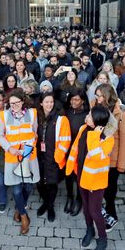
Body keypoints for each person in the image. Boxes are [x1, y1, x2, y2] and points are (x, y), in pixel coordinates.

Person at [66, 105, 115, 250]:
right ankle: (89, 230)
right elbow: (76, 149)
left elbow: (95, 156)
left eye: (90, 115)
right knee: (86, 208)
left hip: (96, 181)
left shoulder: (108, 139)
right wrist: (71, 167)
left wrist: (94, 135)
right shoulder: (83, 129)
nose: (86, 116)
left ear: (97, 121)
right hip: (81, 176)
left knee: (95, 210)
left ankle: (102, 239)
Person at [0, 89, 40, 235]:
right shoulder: (4, 115)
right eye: (11, 103)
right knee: (16, 190)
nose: (14, 105)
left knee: (28, 186)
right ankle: (23, 215)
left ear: (23, 101)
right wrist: (9, 148)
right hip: (13, 157)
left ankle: (19, 207)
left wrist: (27, 149)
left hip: (28, 156)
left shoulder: (32, 113)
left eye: (17, 102)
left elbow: (35, 134)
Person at [93, 83, 125, 231]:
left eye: (100, 95)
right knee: (100, 186)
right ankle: (99, 210)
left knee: (110, 188)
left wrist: (122, 164)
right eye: (96, 95)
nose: (97, 98)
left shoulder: (121, 114)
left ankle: (111, 211)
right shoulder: (96, 108)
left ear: (107, 96)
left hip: (113, 160)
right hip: (98, 156)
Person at [36, 92, 71, 222]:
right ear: (41, 103)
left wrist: (58, 158)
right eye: (46, 102)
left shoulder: (62, 119)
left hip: (53, 157)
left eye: (51, 102)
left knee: (51, 183)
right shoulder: (36, 117)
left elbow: (65, 141)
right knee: (40, 183)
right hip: (39, 156)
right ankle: (46, 202)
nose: (49, 104)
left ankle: (50, 206)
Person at [63, 88, 90, 215]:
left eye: (77, 99)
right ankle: (69, 197)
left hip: (81, 152)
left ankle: (79, 200)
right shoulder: (66, 112)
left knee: (78, 177)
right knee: (68, 175)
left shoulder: (87, 115)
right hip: (67, 150)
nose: (73, 102)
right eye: (72, 99)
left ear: (83, 100)